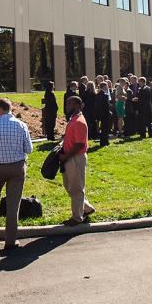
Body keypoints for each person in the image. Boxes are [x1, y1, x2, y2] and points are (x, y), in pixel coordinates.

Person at [0, 98, 33, 250]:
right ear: (11, 109)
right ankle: (10, 240)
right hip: (17, 167)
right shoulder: (22, 125)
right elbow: (29, 149)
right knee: (13, 204)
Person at [59, 95, 95, 225]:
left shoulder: (79, 121)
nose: (67, 106)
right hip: (69, 158)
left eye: (69, 104)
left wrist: (65, 156)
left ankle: (77, 217)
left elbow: (79, 144)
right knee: (69, 186)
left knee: (76, 188)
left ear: (77, 105)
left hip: (75, 158)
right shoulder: (73, 119)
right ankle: (87, 208)